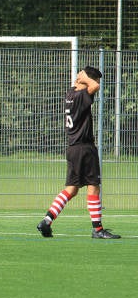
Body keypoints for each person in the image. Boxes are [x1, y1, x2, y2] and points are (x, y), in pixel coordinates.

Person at [37, 67, 120, 239]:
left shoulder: (70, 94)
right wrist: (85, 78)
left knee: (72, 189)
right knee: (93, 186)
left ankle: (47, 220)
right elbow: (95, 86)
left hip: (73, 148)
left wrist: (81, 79)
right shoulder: (81, 96)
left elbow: (89, 86)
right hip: (84, 148)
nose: (96, 84)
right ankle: (97, 229)